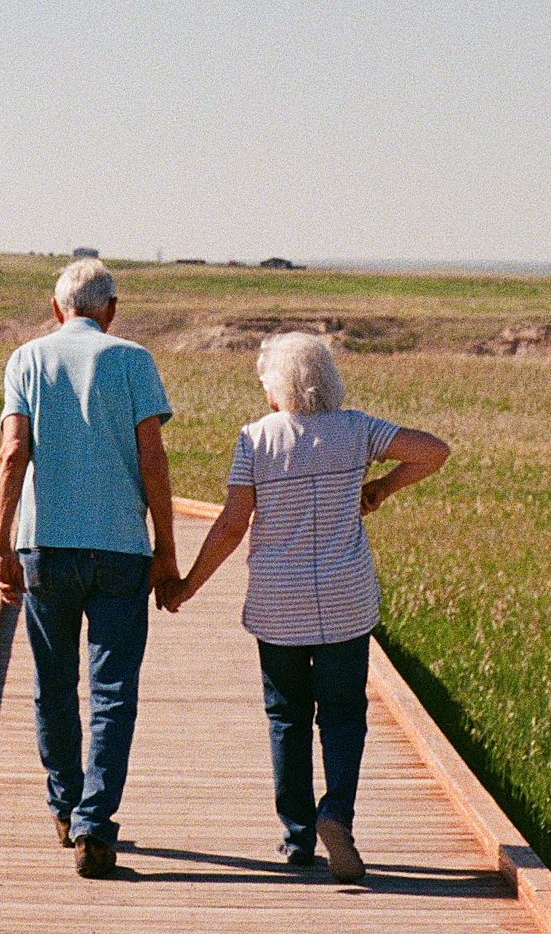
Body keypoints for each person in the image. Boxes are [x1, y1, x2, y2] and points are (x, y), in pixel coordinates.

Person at [163, 331, 447, 883]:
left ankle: (296, 838)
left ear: (277, 388)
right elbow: (434, 452)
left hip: (278, 605)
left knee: (286, 717)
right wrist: (381, 489)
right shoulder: (357, 430)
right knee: (343, 716)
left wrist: (188, 586)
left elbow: (230, 524)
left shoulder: (255, 440)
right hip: (345, 599)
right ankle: (335, 814)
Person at [0, 257, 178, 879]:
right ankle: (96, 823)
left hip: (45, 546)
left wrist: (0, 546)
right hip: (122, 548)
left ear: (56, 310)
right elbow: (153, 459)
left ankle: (65, 806)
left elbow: (15, 452)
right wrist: (167, 549)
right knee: (112, 690)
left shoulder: (27, 360)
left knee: (52, 684)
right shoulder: (134, 360)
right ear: (112, 310)